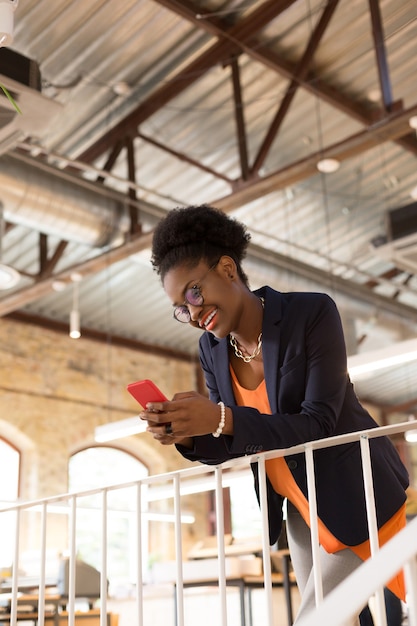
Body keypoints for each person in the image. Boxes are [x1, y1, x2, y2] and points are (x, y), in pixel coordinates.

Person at [140, 204, 409, 625]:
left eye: (193, 292)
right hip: (299, 510)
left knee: (317, 618)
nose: (192, 313)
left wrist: (219, 419)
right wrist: (188, 434)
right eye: (180, 307)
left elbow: (318, 421)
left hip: (357, 495)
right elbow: (229, 440)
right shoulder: (212, 350)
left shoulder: (312, 314)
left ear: (227, 269)